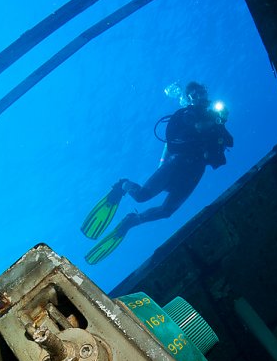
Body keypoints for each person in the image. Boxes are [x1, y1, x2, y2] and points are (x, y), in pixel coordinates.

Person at [81, 82, 234, 264]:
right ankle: (123, 185)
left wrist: (221, 122)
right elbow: (195, 127)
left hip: (195, 171)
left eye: (201, 92)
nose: (199, 96)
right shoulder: (186, 113)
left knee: (167, 211)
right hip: (177, 163)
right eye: (194, 94)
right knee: (141, 196)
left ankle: (132, 221)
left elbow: (229, 142)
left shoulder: (215, 119)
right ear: (189, 97)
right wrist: (215, 122)